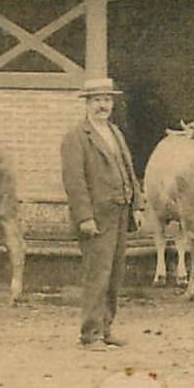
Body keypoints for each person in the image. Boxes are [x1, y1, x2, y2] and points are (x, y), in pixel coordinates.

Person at [60, 76, 140, 350]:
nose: (102, 105)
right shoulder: (76, 137)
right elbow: (74, 182)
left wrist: (136, 205)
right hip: (97, 217)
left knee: (114, 274)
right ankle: (90, 334)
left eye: (107, 100)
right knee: (97, 275)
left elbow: (128, 170)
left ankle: (106, 328)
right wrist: (85, 217)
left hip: (120, 212)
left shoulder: (115, 133)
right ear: (87, 104)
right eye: (96, 100)